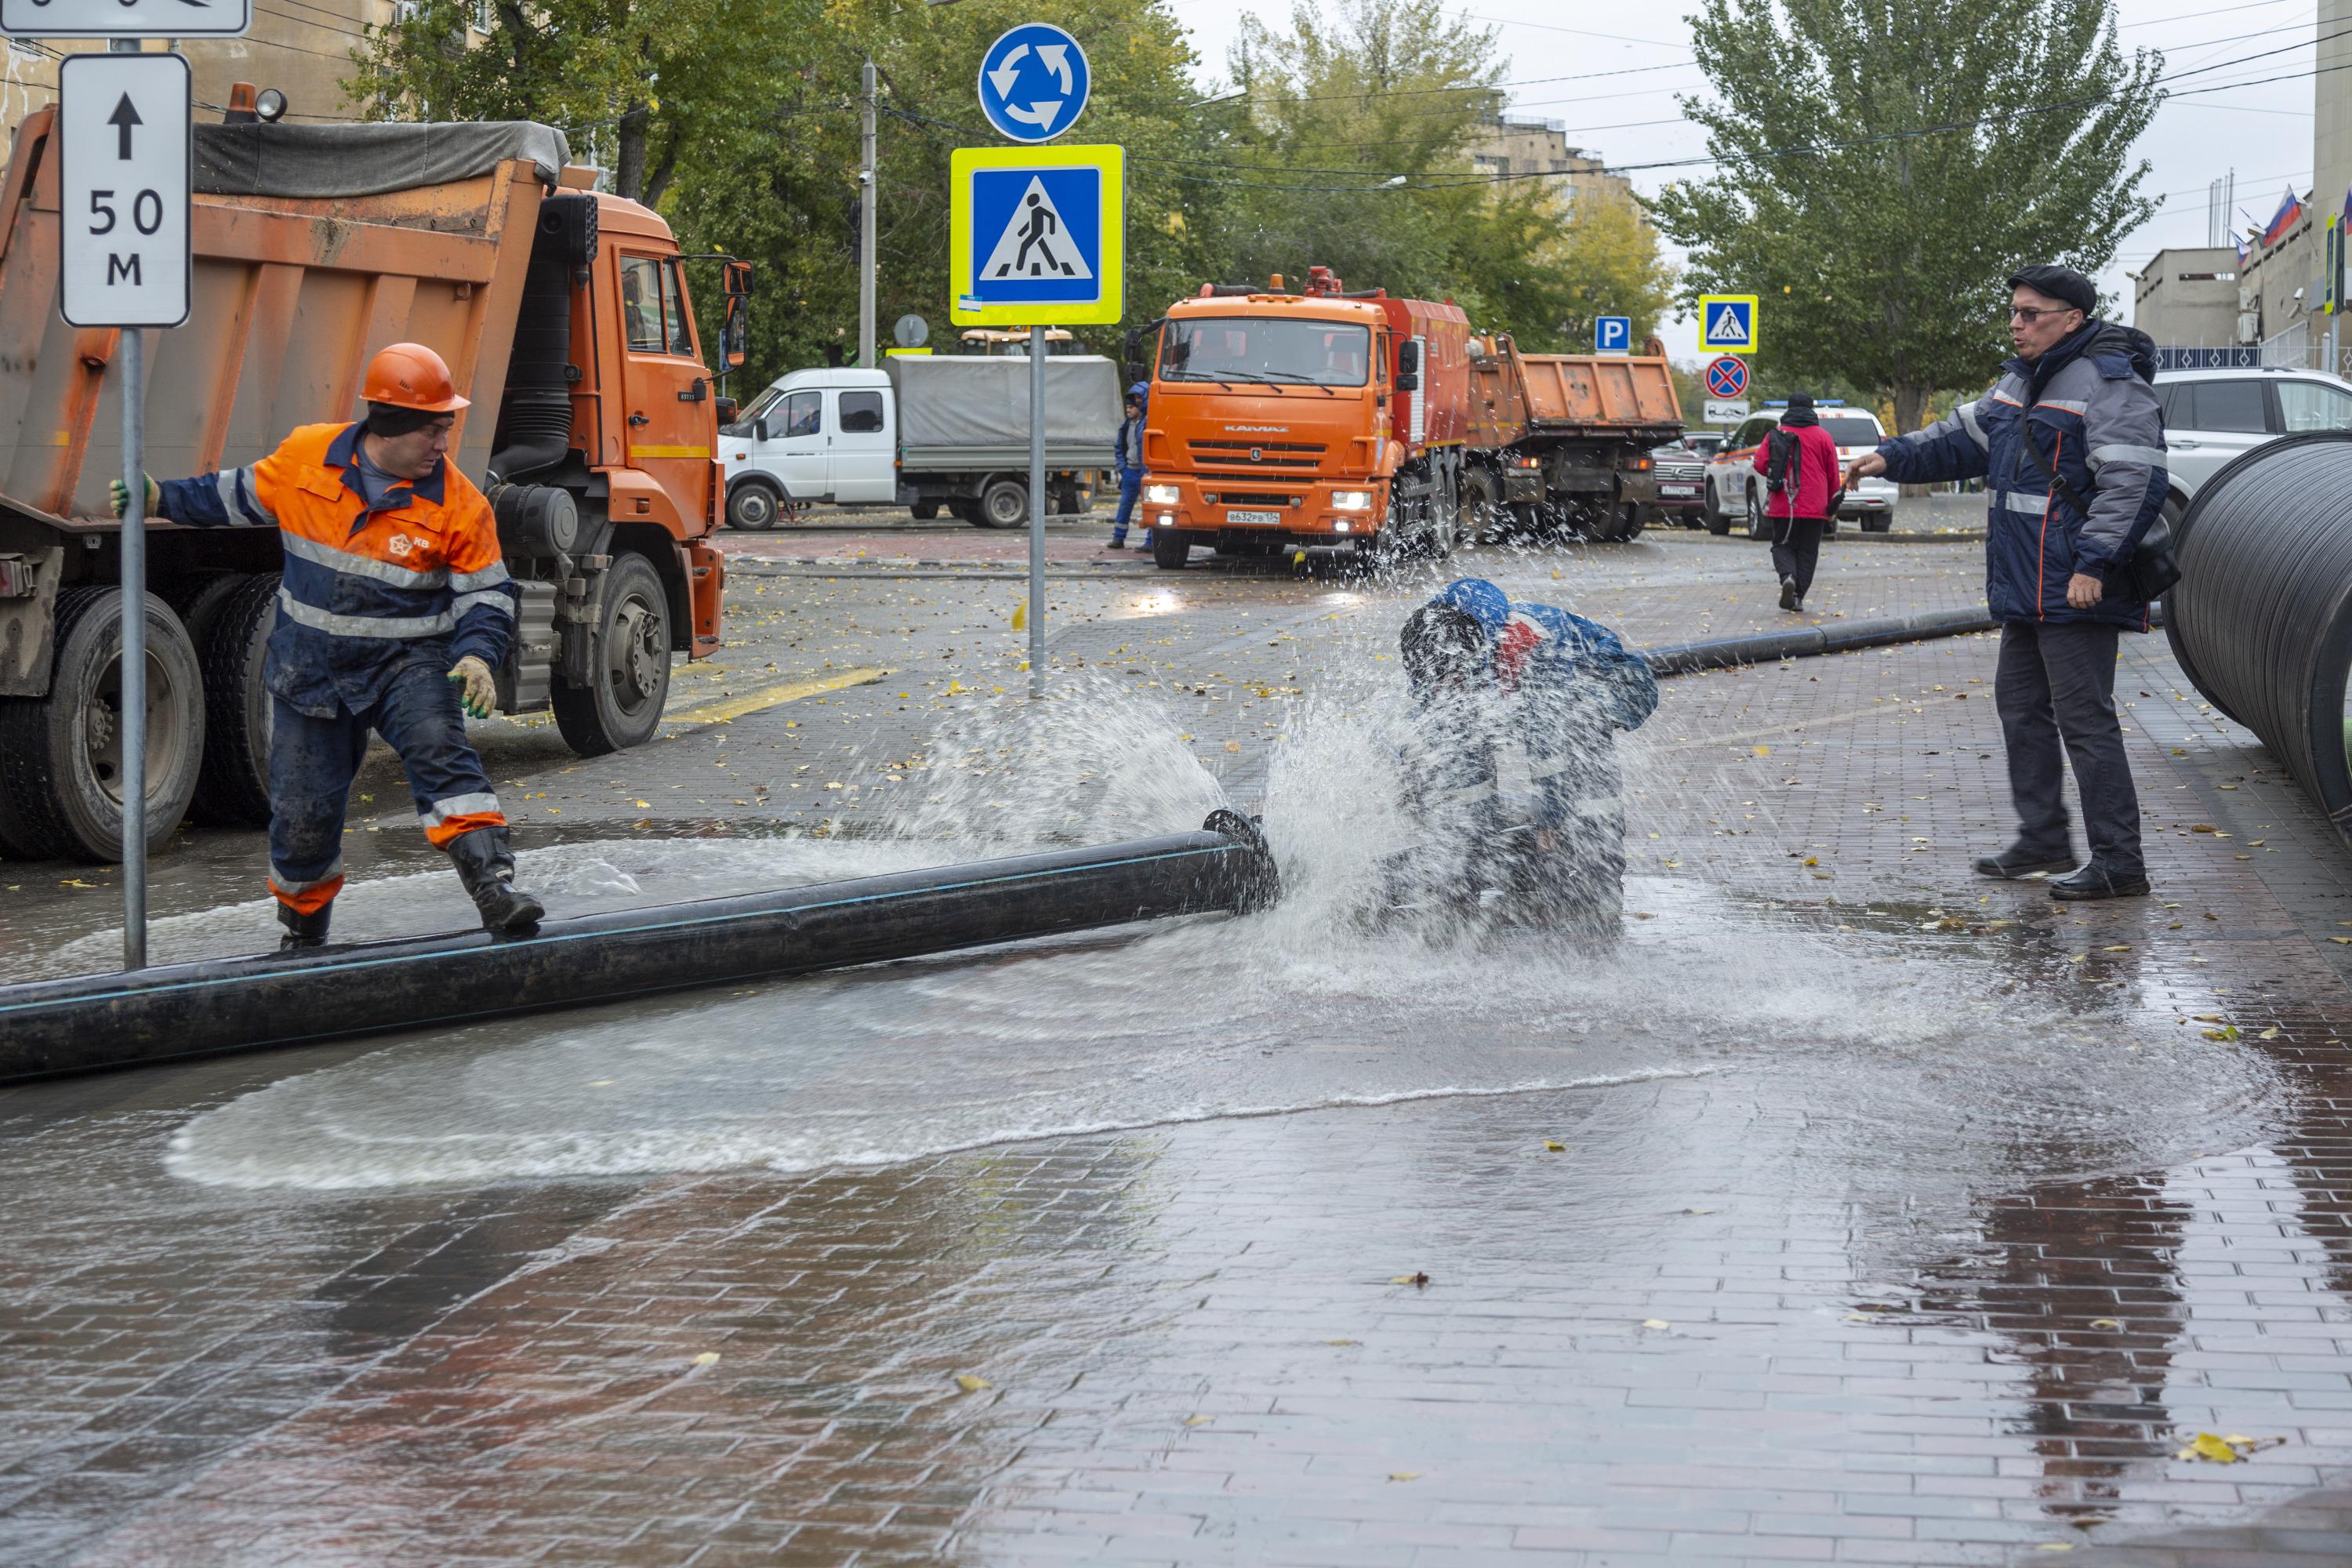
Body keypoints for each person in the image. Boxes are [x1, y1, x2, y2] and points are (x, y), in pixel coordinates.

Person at [111, 342, 546, 948]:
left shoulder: (459, 505)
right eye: (433, 431)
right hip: (310, 672)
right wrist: (161, 498)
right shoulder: (307, 457)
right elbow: (232, 496)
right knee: (303, 818)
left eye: (448, 429)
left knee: (442, 757)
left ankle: (495, 890)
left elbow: (488, 594)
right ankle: (305, 934)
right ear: (388, 427)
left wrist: (475, 654)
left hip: (408, 668)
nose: (443, 445)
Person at [1845, 265, 2165, 901]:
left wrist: (2092, 565)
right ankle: (2043, 839)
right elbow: (1966, 436)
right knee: (2021, 711)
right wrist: (1893, 455)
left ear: (2070, 319)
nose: (2016, 324)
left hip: (2077, 587)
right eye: (2013, 312)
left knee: (2086, 724)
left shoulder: (2108, 383)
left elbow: (2135, 482)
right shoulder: (2021, 377)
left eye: (2030, 313)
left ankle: (2120, 863)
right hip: (2028, 585)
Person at [1396, 578, 1659, 927]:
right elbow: (1434, 725)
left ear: (1466, 656)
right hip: (1544, 705)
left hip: (1606, 688)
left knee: (1583, 770)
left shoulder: (1522, 646)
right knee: (1467, 741)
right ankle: (1481, 861)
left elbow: (1549, 751)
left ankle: (1598, 878)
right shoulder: (1439, 646)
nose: (1445, 686)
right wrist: (1417, 782)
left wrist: (1549, 823)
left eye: (1450, 678)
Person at [1752, 393, 1840, 612]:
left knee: (1782, 545)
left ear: (1788, 409)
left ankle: (1788, 577)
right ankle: (1798, 596)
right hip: (1816, 506)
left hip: (1784, 503)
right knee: (1808, 551)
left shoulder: (1776, 434)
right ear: (1812, 409)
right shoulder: (1823, 437)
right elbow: (1833, 475)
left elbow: (1760, 465)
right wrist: (1833, 506)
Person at [1107, 383, 1149, 550]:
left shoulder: (1148, 422)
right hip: (1131, 472)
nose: (1129, 409)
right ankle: (1118, 538)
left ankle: (1151, 542)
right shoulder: (1126, 426)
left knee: (1149, 508)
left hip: (1144, 472)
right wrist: (1123, 468)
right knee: (1124, 506)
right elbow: (1119, 448)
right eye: (1128, 406)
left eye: (1133, 406)